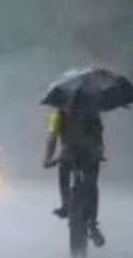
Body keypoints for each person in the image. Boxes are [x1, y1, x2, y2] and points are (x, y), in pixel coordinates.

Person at [43, 97, 105, 247]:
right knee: (91, 184)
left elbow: (52, 138)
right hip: (90, 155)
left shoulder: (58, 115)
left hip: (68, 154)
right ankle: (93, 225)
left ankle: (65, 205)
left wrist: (47, 159)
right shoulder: (93, 113)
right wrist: (99, 152)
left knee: (63, 173)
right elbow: (99, 136)